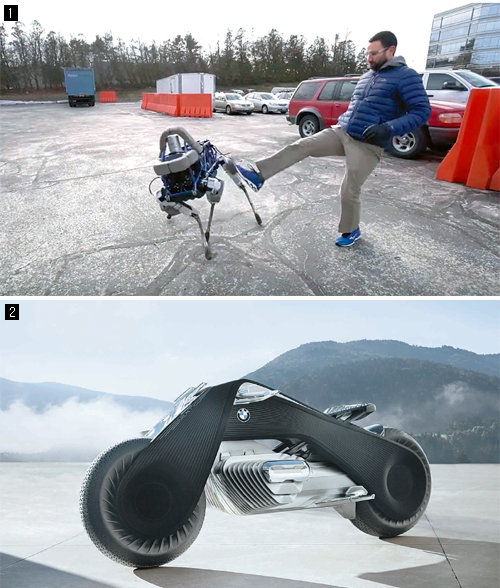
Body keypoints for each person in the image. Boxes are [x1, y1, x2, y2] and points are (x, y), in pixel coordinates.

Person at [236, 31, 431, 247]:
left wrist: (389, 127)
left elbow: (422, 111)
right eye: (368, 53)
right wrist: (345, 119)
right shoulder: (367, 76)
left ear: (391, 50)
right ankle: (259, 175)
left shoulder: (406, 76)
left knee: (348, 190)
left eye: (375, 53)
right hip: (343, 131)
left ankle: (351, 230)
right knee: (302, 145)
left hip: (368, 144)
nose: (369, 58)